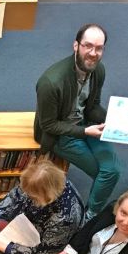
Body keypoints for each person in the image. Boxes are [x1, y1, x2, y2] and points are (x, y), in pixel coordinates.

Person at [34, 23, 120, 222]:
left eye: (99, 48)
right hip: (61, 134)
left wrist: (116, 120)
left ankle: (90, 213)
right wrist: (85, 132)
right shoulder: (50, 82)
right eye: (87, 46)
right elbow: (49, 125)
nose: (93, 53)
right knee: (104, 174)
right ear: (76, 46)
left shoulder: (98, 70)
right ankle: (90, 217)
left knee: (113, 171)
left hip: (87, 124)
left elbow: (93, 106)